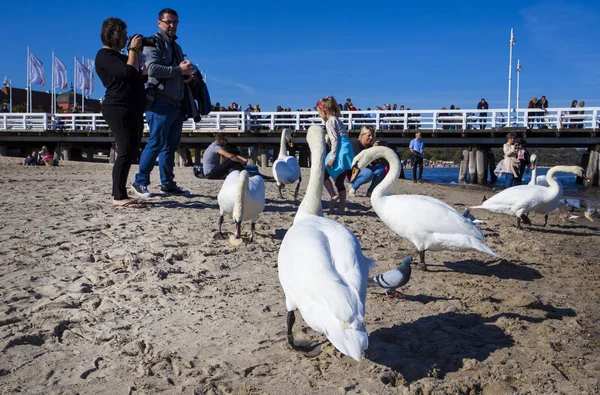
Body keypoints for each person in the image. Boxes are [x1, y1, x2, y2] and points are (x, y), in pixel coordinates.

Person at [132, 8, 195, 198]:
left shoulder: (175, 46)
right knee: (156, 142)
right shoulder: (154, 43)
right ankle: (139, 181)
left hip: (176, 103)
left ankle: (167, 184)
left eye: (175, 22)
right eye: (168, 22)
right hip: (159, 101)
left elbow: (177, 71)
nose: (172, 25)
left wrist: (187, 76)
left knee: (170, 146)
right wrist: (178, 70)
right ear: (159, 23)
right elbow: (152, 69)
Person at [95, 17, 147, 209]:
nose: (126, 38)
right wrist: (133, 50)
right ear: (114, 35)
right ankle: (118, 196)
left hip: (131, 108)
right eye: (124, 35)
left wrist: (138, 53)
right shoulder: (104, 55)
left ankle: (121, 193)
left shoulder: (120, 56)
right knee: (125, 150)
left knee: (131, 150)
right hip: (118, 107)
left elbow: (139, 74)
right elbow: (129, 73)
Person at [316, 95, 354, 214]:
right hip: (346, 148)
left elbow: (334, 140)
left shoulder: (330, 122)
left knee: (324, 173)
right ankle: (341, 208)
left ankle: (333, 195)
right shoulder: (337, 119)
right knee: (339, 181)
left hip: (340, 149)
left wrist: (332, 157)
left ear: (323, 111)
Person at [348, 126, 387, 197]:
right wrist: (372, 150)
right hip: (352, 171)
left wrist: (377, 153)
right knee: (368, 173)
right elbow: (359, 160)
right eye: (369, 135)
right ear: (362, 135)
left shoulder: (369, 146)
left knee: (381, 170)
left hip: (363, 169)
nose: (371, 138)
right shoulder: (355, 144)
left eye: (372, 136)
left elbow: (373, 162)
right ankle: (353, 188)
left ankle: (370, 192)